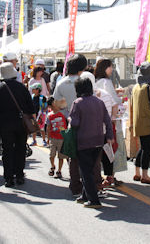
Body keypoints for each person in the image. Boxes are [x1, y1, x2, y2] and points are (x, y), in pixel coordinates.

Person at [0, 63, 35, 187]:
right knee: (20, 148)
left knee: (7, 150)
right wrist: (33, 126)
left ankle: (8, 178)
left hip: (5, 124)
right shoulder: (22, 88)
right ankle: (19, 175)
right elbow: (31, 109)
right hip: (21, 124)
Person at [70, 77, 114, 209]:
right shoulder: (99, 102)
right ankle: (84, 196)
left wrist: (69, 118)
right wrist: (110, 136)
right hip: (98, 140)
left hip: (84, 141)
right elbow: (107, 120)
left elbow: (74, 123)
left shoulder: (78, 103)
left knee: (85, 171)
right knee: (89, 169)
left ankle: (94, 200)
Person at [53, 53, 88, 196]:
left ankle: (75, 186)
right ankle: (90, 186)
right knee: (89, 156)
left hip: (70, 122)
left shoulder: (61, 82)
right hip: (88, 122)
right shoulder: (85, 80)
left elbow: (55, 104)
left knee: (73, 156)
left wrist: (66, 112)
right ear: (83, 67)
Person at [94, 58, 122, 187]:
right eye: (110, 66)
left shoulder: (96, 82)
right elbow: (114, 102)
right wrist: (113, 118)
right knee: (109, 148)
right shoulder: (107, 82)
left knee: (99, 150)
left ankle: (100, 176)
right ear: (105, 68)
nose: (112, 69)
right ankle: (110, 176)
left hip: (96, 122)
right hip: (108, 121)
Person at [130, 62, 150, 184]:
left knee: (143, 147)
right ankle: (145, 175)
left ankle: (137, 172)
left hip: (138, 122)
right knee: (147, 149)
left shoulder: (136, 87)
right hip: (148, 122)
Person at [46, 97, 68, 179]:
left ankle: (59, 170)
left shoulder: (63, 112)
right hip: (53, 138)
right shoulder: (49, 115)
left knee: (61, 156)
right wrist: (48, 139)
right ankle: (52, 166)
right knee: (51, 155)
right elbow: (48, 127)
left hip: (62, 138)